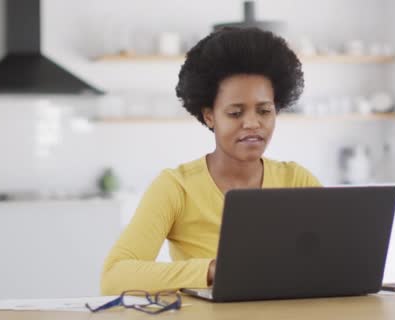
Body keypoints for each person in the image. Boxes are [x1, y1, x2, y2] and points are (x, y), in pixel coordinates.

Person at [100, 27, 321, 295]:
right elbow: (114, 276)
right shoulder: (176, 187)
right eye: (235, 112)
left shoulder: (296, 180)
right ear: (209, 116)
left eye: (264, 110)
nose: (252, 123)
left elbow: (335, 259)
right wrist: (212, 270)